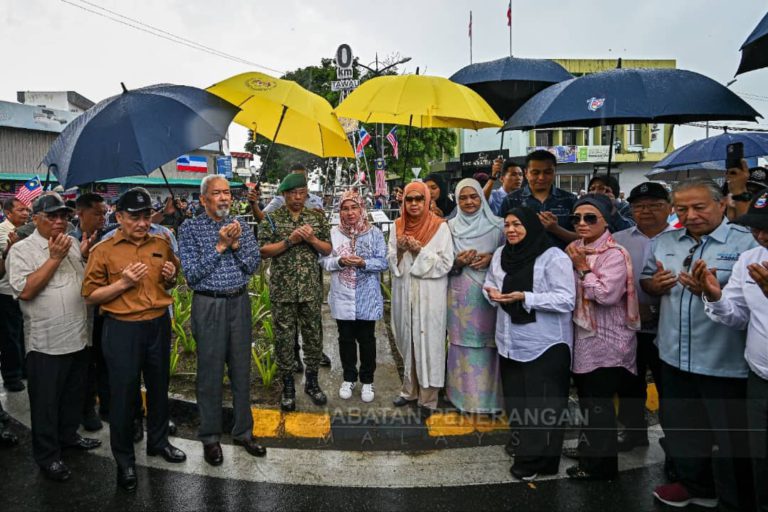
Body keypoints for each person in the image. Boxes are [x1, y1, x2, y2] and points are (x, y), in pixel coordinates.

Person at [641, 178, 757, 510]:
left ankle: (740, 499)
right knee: (681, 427)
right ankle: (694, 485)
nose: (690, 215)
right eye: (682, 209)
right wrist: (656, 284)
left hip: (725, 358)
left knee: (732, 437)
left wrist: (712, 291)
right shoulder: (664, 242)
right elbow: (647, 280)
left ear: (722, 204)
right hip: (674, 354)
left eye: (699, 207)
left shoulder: (747, 243)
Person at [82, 189, 186, 491]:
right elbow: (90, 296)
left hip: (156, 325)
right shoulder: (104, 250)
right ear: (119, 217)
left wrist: (170, 275)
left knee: (158, 388)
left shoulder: (162, 242)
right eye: (134, 217)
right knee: (124, 396)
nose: (142, 223)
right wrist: (123, 283)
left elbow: (170, 279)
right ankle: (125, 460)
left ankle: (158, 442)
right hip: (122, 329)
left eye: (145, 216)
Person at [6, 194, 101, 482]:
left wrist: (82, 254)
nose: (60, 221)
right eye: (51, 216)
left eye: (64, 216)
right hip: (46, 343)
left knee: (73, 396)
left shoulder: (71, 242)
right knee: (46, 404)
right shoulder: (22, 250)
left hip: (79, 336)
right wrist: (54, 258)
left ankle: (69, 436)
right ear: (35, 218)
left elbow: (81, 280)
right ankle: (48, 456)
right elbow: (26, 290)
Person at [179, 175, 266, 467]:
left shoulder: (241, 225)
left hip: (239, 302)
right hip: (208, 304)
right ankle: (210, 437)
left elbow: (253, 265)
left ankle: (243, 432)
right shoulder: (190, 228)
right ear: (203, 199)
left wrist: (237, 244)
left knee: (242, 370)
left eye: (227, 192)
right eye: (217, 193)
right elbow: (191, 275)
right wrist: (219, 246)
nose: (224, 198)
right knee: (210, 373)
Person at [483, 207, 576, 481]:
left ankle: (537, 460)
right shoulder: (502, 255)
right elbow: (489, 283)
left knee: (543, 405)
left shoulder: (553, 257)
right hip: (510, 340)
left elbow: (566, 299)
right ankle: (528, 450)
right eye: (508, 225)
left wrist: (526, 297)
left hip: (544, 344)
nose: (511, 230)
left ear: (533, 227)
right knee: (518, 403)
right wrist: (492, 294)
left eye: (518, 224)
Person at [696, 189, 768, 512]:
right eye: (756, 227)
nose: (762, 235)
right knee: (761, 462)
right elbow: (738, 317)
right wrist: (714, 296)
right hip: (760, 381)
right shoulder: (750, 260)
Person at [564, 193, 640, 481]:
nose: (582, 223)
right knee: (588, 400)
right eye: (577, 218)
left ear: (606, 220)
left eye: (590, 217)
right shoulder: (574, 247)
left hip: (608, 341)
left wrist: (583, 269)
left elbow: (605, 295)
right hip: (582, 338)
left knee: (599, 404)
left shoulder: (614, 254)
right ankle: (589, 449)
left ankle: (601, 467)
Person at [258, 172, 332, 411]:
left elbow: (328, 249)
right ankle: (288, 385)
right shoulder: (271, 219)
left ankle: (312, 382)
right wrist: (289, 241)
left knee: (313, 337)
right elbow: (263, 250)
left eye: (302, 193)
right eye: (293, 193)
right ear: (284, 195)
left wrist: (311, 239)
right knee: (284, 339)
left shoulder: (316, 218)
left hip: (310, 289)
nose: (298, 198)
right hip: (283, 290)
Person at [612, 182, 675, 452]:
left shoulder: (683, 238)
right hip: (629, 327)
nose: (646, 211)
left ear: (669, 208)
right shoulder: (618, 239)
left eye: (655, 205)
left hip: (669, 328)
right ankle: (633, 432)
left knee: (670, 388)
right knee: (629, 384)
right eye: (639, 206)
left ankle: (674, 441)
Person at [388, 181, 454, 411]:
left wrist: (419, 251)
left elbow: (446, 263)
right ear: (403, 201)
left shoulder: (440, 227)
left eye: (419, 199)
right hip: (404, 293)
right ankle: (409, 390)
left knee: (429, 342)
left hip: (430, 296)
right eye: (409, 199)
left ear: (427, 200)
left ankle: (428, 399)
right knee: (408, 340)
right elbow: (391, 261)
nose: (414, 204)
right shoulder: (397, 225)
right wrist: (400, 249)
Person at [319, 191, 387, 402]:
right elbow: (323, 261)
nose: (350, 213)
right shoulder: (334, 233)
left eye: (354, 208)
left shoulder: (374, 234)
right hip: (343, 297)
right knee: (345, 339)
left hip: (367, 297)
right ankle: (349, 377)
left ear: (362, 209)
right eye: (345, 209)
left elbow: (383, 262)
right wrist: (339, 261)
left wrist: (363, 263)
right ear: (339, 211)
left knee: (367, 340)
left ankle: (367, 381)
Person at [445, 178, 504, 414]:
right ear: (457, 201)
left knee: (491, 345)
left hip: (489, 295)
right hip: (460, 294)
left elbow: (509, 255)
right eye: (463, 197)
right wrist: (457, 261)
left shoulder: (499, 226)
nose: (469, 202)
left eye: (473, 196)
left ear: (482, 197)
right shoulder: (449, 228)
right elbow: (441, 263)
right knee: (461, 343)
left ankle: (490, 402)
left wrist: (492, 257)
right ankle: (462, 399)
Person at [69, 193, 108, 432]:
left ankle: (102, 406)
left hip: (104, 312)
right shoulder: (69, 240)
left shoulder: (109, 237)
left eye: (104, 213)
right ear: (80, 213)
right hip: (79, 314)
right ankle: (84, 410)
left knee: (102, 363)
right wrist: (84, 255)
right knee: (82, 366)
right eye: (97, 213)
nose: (103, 218)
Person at [499, 150, 578, 248]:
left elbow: (582, 238)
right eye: (535, 173)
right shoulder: (511, 200)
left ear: (554, 172)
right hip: (523, 261)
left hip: (561, 260)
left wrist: (556, 229)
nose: (541, 177)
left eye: (547, 172)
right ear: (526, 173)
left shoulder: (570, 200)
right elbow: (501, 236)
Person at [0, 198, 30, 392]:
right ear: (8, 213)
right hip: (6, 292)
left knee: (22, 332)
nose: (26, 213)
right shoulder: (4, 231)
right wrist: (12, 247)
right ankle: (11, 376)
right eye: (21, 210)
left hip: (25, 289)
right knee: (9, 336)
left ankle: (23, 369)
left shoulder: (28, 230)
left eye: (27, 209)